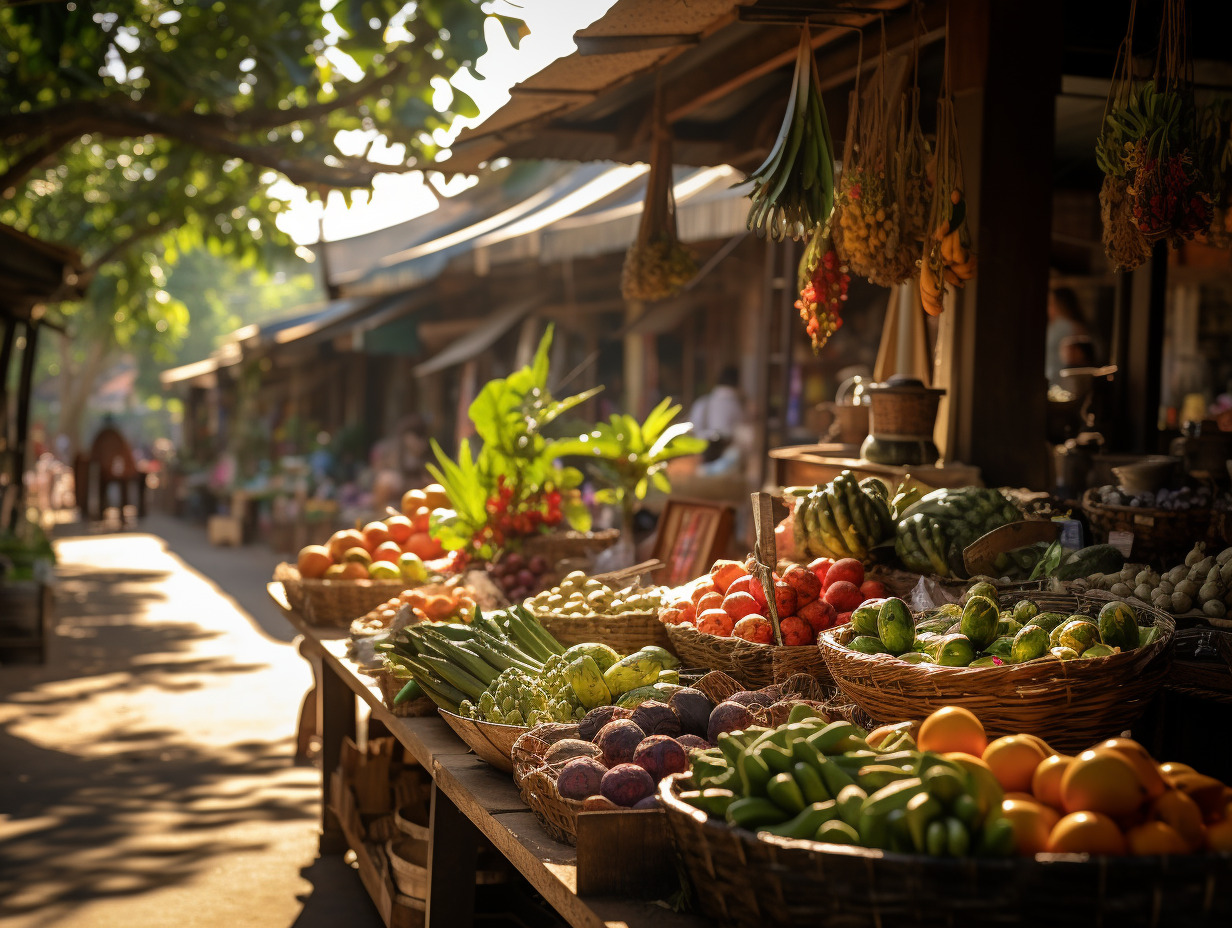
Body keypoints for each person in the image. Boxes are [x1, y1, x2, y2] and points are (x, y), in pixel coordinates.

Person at [688, 366, 745, 472]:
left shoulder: (702, 402)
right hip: (724, 455)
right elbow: (741, 429)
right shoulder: (735, 405)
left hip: (702, 452)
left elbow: (693, 429)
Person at [1046, 288, 1088, 388]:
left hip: (1059, 379)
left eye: (1051, 303)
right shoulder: (1073, 326)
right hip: (1062, 378)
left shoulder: (1063, 327)